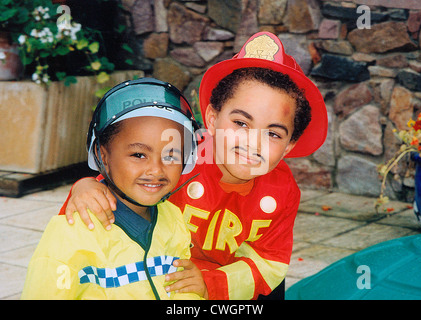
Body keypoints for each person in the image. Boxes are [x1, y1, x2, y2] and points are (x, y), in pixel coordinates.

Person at [60, 32, 328, 300]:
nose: (253, 143)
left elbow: (268, 263)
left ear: (289, 146)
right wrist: (87, 187)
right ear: (212, 118)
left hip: (225, 287)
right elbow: (123, 189)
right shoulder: (178, 159)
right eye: (241, 123)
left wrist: (211, 284)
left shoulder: (283, 190)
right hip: (161, 280)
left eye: (273, 134)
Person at [21, 78, 204, 300]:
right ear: (102, 156)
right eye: (139, 155)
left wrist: (194, 290)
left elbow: (180, 290)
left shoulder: (173, 219)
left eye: (170, 155)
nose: (156, 170)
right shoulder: (72, 234)